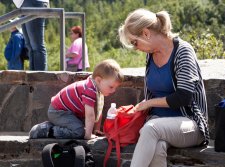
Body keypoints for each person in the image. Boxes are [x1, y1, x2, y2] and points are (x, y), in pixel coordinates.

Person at [118, 8, 209, 167]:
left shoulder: (183, 51)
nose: (136, 48)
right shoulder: (150, 55)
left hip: (190, 124)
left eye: (135, 42)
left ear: (146, 33)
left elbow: (183, 97)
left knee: (151, 129)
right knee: (157, 147)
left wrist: (149, 103)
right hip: (159, 124)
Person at [29, 59, 123, 140]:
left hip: (69, 113)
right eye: (111, 87)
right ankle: (48, 130)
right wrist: (88, 135)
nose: (113, 90)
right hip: (58, 112)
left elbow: (97, 113)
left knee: (82, 127)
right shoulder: (90, 90)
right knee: (79, 132)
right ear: (99, 80)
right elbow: (90, 116)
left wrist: (95, 131)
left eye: (115, 88)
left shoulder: (96, 88)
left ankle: (59, 126)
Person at [12, 0, 49, 71]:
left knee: (36, 45)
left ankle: (41, 78)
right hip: (25, 4)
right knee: (30, 46)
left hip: (33, 3)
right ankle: (33, 77)